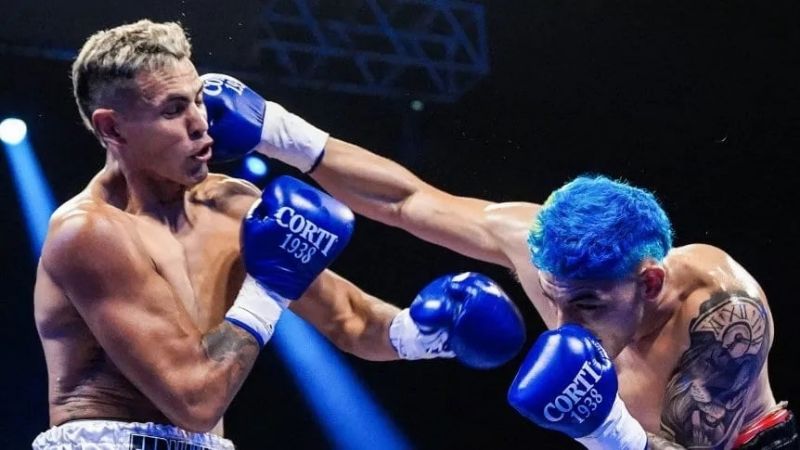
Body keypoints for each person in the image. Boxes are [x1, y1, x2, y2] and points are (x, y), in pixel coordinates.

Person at [201, 72, 799, 449]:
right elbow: (406, 200)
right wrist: (279, 134)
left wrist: (605, 428)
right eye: (553, 297)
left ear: (649, 282)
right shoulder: (546, 249)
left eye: (587, 304)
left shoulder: (721, 315)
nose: (563, 324)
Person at [31, 20, 526, 449]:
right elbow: (194, 399)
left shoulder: (233, 206)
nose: (201, 123)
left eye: (199, 98)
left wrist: (424, 332)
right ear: (112, 129)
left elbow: (350, 320)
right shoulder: (89, 233)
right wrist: (269, 287)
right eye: (172, 109)